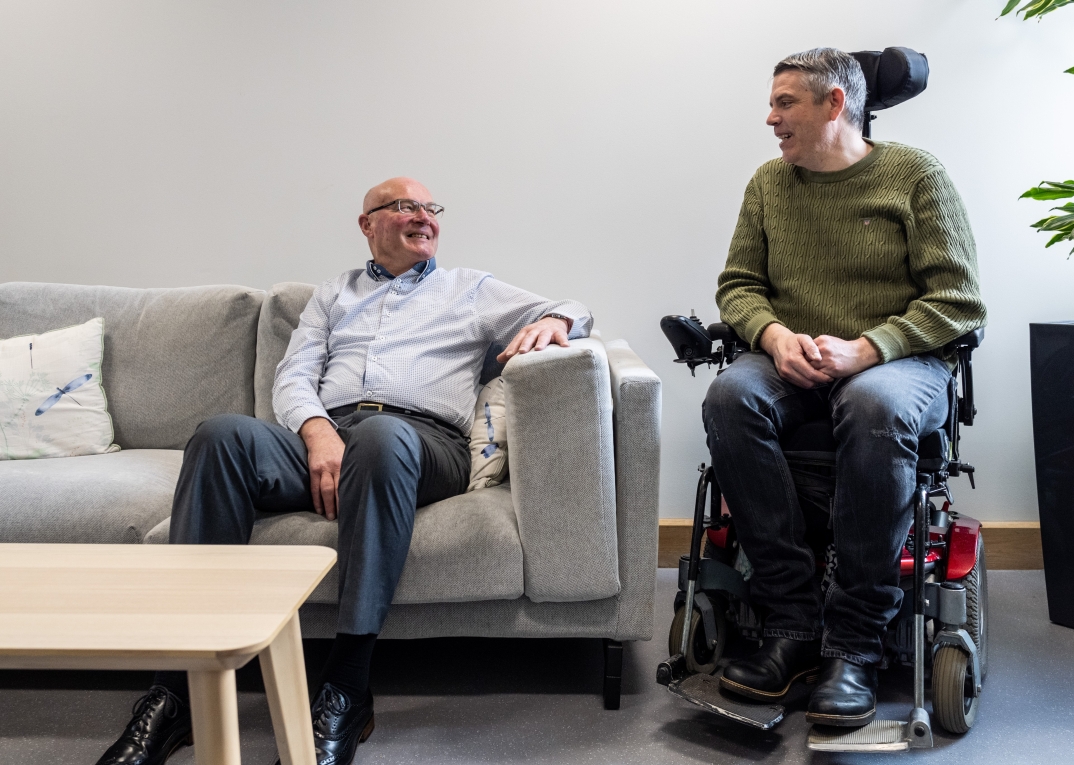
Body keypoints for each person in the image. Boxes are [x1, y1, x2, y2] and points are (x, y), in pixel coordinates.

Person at [96, 177, 592, 765]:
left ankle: (347, 685)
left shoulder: (470, 289)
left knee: (381, 438)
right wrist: (317, 432)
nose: (424, 217)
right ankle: (175, 691)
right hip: (327, 434)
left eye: (431, 208)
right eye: (406, 206)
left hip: (422, 440)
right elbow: (294, 376)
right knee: (220, 435)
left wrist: (555, 321)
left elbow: (574, 307)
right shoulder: (334, 295)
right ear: (368, 224)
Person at [704, 48, 986, 727]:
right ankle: (792, 622)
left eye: (784, 104)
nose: (769, 119)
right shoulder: (769, 184)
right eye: (772, 105)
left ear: (835, 104)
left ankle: (853, 642)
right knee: (729, 396)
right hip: (792, 358)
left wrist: (867, 348)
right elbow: (738, 286)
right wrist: (773, 337)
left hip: (900, 364)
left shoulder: (915, 176)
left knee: (872, 402)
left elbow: (957, 301)